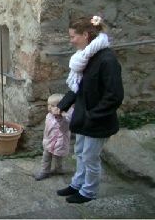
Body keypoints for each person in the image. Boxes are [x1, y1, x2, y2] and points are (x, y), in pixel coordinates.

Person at [55, 15, 124, 204]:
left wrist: (93, 115)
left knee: (90, 158)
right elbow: (79, 86)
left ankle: (88, 191)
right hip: (85, 117)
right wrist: (62, 106)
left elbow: (114, 96)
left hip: (97, 120)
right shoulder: (86, 56)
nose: (71, 41)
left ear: (85, 35)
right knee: (79, 152)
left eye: (72, 37)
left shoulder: (107, 60)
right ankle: (77, 184)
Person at [35, 93, 73, 181]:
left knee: (58, 158)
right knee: (46, 157)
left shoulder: (65, 120)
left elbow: (64, 128)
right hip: (49, 142)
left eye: (52, 105)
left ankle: (58, 169)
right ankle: (45, 171)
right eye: (49, 105)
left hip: (60, 143)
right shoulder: (49, 116)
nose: (49, 107)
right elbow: (47, 130)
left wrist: (62, 116)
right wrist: (45, 140)